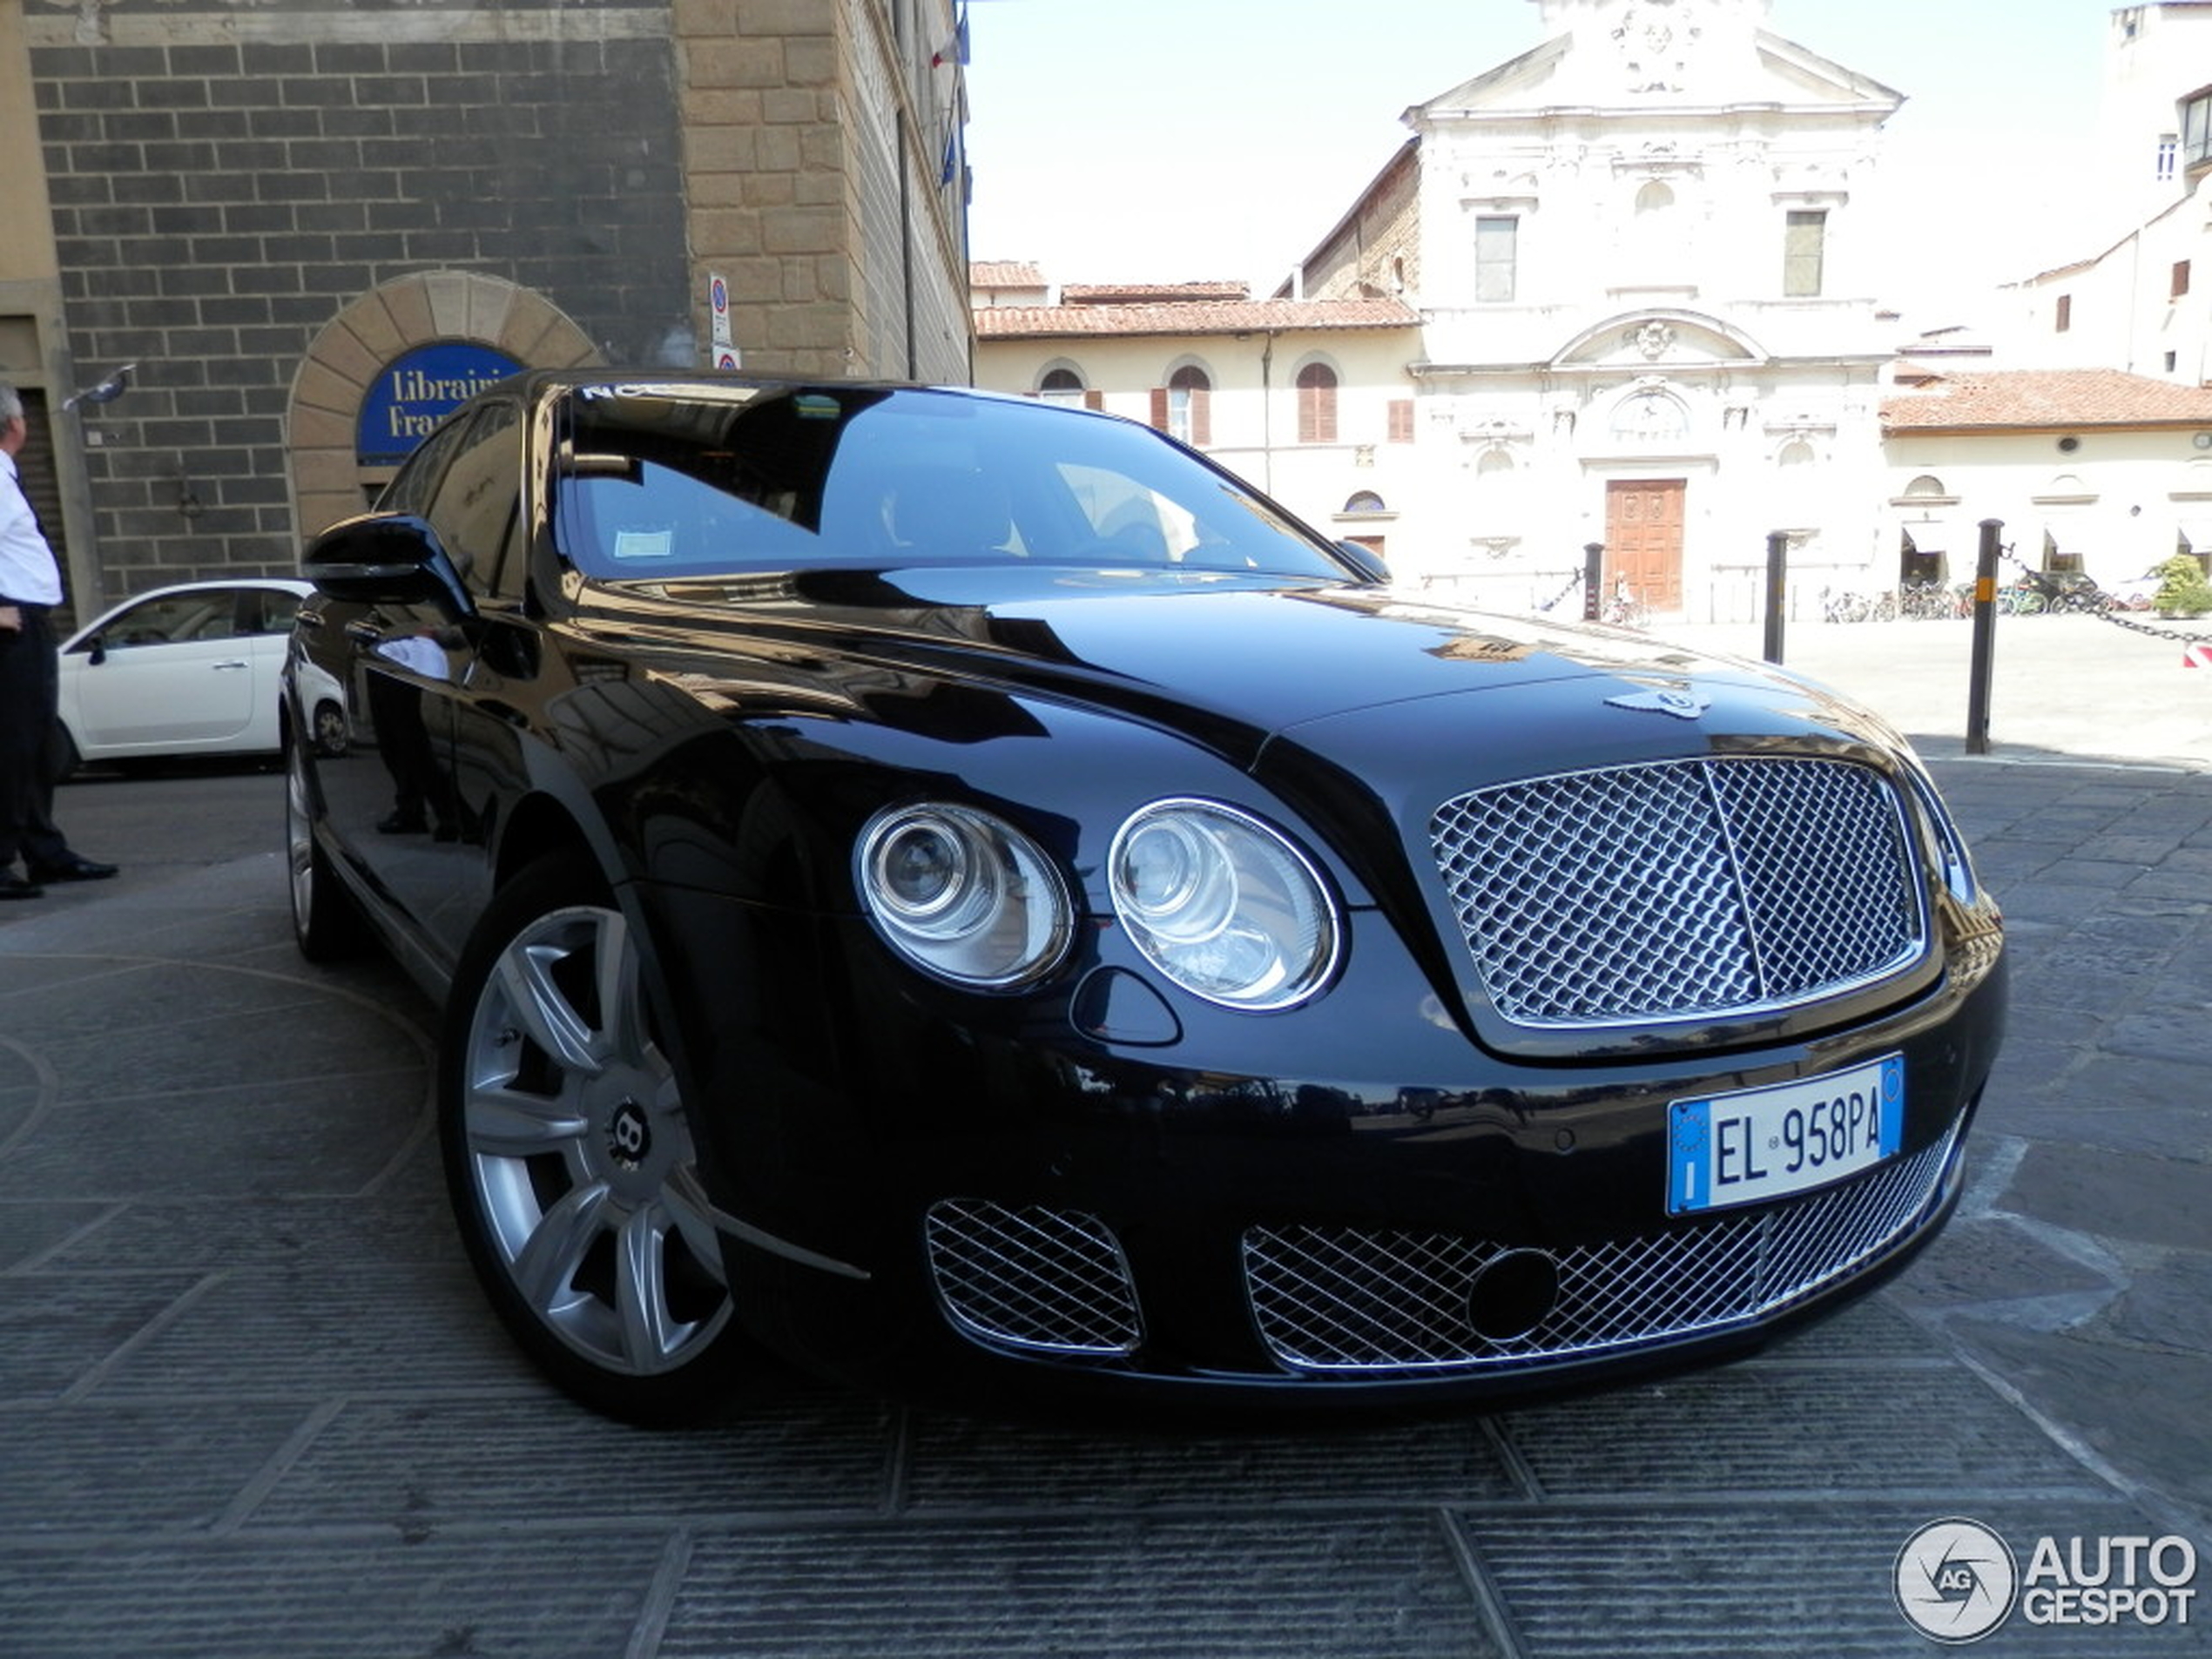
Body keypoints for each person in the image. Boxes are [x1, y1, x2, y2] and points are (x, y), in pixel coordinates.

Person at [0, 381, 118, 898]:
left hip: (29, 621)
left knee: (36, 744)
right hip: (11, 626)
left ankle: (44, 850)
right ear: (15, 424)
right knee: (12, 747)